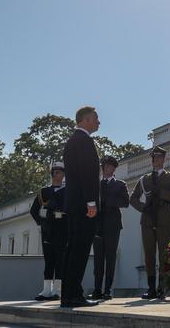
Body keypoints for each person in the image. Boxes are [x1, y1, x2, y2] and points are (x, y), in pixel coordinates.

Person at [130, 145, 170, 300]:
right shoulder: (144, 179)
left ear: (164, 159)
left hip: (164, 219)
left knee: (164, 254)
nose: (156, 160)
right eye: (154, 158)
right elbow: (133, 199)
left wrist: (163, 193)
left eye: (159, 157)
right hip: (147, 220)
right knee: (149, 255)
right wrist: (143, 208)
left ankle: (162, 288)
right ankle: (151, 288)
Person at [61, 106, 101, 308]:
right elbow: (86, 173)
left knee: (72, 249)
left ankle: (68, 294)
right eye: (95, 118)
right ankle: (73, 294)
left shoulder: (71, 141)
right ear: (85, 121)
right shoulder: (84, 141)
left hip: (74, 204)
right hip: (84, 205)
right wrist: (91, 203)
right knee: (80, 249)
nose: (99, 121)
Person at [89, 155, 129, 300]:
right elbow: (90, 202)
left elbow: (126, 202)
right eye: (106, 167)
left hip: (113, 224)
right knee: (98, 259)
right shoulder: (97, 185)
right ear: (103, 168)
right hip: (98, 225)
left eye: (111, 167)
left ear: (114, 169)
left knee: (110, 257)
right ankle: (97, 288)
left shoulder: (120, 184)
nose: (108, 170)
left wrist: (109, 201)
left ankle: (107, 289)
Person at [30, 161, 67, 301]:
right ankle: (46, 290)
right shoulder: (43, 192)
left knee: (60, 260)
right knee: (49, 259)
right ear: (54, 173)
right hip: (48, 230)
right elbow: (34, 211)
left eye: (62, 172)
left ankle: (57, 290)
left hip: (62, 229)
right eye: (59, 172)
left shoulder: (67, 191)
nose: (61, 175)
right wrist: (41, 223)